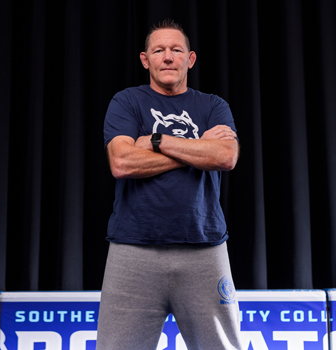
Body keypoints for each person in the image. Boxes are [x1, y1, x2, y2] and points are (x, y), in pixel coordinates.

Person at [97, 19, 241, 350]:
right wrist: (197, 148)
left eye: (176, 50)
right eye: (158, 50)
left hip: (204, 249)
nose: (167, 57)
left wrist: (156, 140)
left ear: (190, 59)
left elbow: (226, 157)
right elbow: (122, 162)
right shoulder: (127, 102)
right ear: (145, 60)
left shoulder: (212, 106)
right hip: (133, 250)